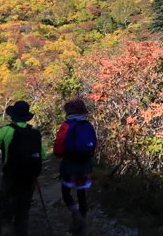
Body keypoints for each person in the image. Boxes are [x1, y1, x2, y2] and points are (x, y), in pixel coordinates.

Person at [0, 101, 43, 236]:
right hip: (30, 177)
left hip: (11, 176)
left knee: (5, 206)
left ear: (12, 116)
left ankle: (6, 229)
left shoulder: (5, 130)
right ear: (27, 117)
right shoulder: (35, 132)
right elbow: (42, 154)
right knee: (23, 210)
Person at [53, 98, 97, 235]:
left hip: (69, 165)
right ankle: (82, 222)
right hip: (85, 165)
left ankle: (75, 214)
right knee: (81, 194)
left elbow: (58, 149)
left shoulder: (66, 126)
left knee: (66, 192)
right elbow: (94, 145)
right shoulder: (88, 125)